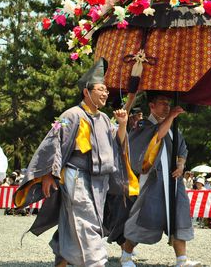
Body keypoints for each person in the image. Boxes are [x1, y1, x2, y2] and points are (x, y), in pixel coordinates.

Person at [14, 58, 132, 267]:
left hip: (99, 183)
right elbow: (53, 142)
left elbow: (117, 144)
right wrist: (49, 174)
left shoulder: (104, 119)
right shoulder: (70, 115)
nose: (105, 93)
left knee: (73, 224)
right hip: (76, 177)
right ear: (87, 92)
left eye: (106, 90)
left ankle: (62, 260)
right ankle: (97, 262)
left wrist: (122, 124)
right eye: (100, 89)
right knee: (86, 224)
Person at [119, 91, 200, 267]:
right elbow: (157, 136)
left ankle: (182, 259)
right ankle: (126, 255)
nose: (167, 106)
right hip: (152, 179)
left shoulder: (173, 127)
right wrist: (171, 117)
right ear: (152, 106)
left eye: (168, 103)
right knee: (144, 216)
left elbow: (182, 149)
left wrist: (180, 166)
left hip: (173, 180)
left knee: (179, 216)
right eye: (162, 103)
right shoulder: (142, 125)